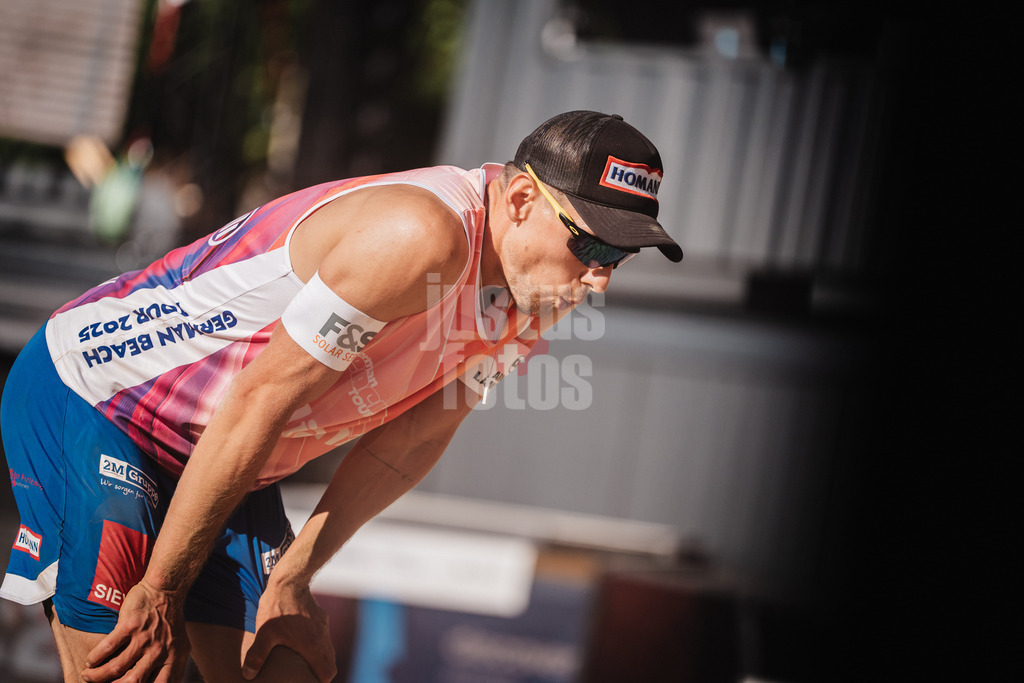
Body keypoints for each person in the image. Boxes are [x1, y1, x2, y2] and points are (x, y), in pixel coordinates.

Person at [1, 110, 682, 682]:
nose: (598, 280)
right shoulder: (421, 236)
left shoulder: (537, 298)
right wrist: (163, 586)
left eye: (617, 257)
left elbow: (413, 438)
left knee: (283, 665)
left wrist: (295, 571)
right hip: (102, 397)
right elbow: (259, 401)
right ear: (524, 201)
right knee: (134, 661)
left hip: (225, 448)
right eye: (589, 244)